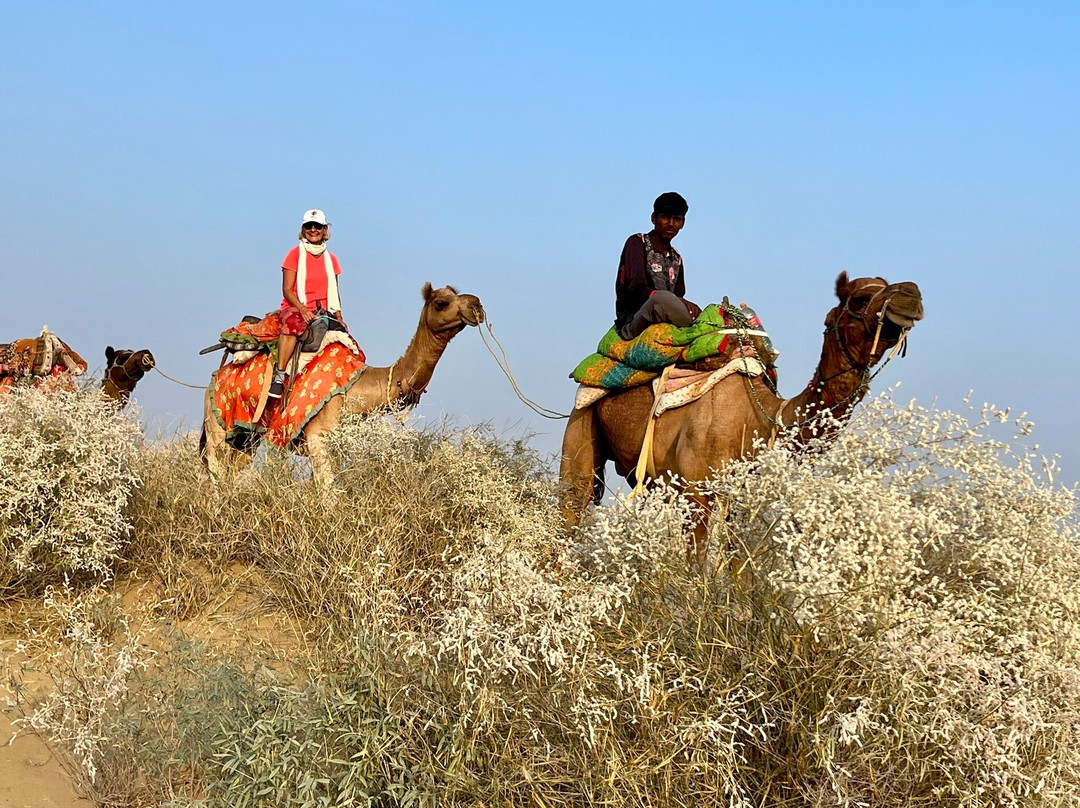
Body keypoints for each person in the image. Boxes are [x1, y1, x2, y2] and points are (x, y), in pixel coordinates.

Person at [269, 209, 346, 398]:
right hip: (296, 308)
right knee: (292, 325)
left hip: (323, 312)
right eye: (309, 226)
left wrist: (339, 317)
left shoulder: (332, 260)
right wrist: (302, 309)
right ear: (303, 230)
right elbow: (287, 289)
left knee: (348, 343)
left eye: (317, 226)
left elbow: (334, 292)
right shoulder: (294, 254)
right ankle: (279, 376)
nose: (313, 230)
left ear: (325, 229)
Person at [614, 191, 702, 340]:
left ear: (683, 223)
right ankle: (698, 331)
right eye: (666, 217)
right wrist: (666, 298)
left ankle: (705, 326)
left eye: (677, 219)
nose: (671, 224)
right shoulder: (637, 243)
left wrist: (688, 306)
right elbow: (634, 287)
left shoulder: (676, 258)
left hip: (664, 320)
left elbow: (679, 297)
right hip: (634, 321)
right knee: (663, 298)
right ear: (654, 218)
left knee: (704, 311)